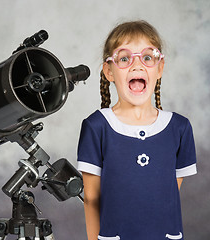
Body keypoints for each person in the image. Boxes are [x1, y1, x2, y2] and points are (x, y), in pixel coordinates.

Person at [77, 20, 197, 240]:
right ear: (109, 71)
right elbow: (91, 199)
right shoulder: (96, 127)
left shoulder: (179, 128)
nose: (137, 65)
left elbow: (168, 195)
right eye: (124, 58)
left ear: (160, 67)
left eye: (147, 57)